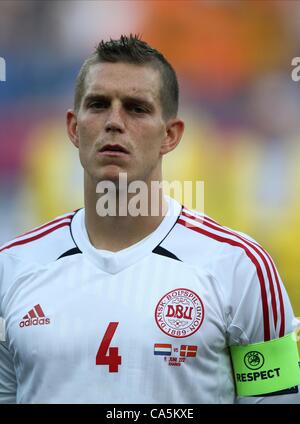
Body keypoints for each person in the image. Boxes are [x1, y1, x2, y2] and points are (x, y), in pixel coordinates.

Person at [0, 34, 299, 404]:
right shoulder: (11, 267)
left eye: (136, 108)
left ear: (170, 136)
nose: (114, 122)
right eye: (97, 105)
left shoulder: (242, 268)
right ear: (74, 129)